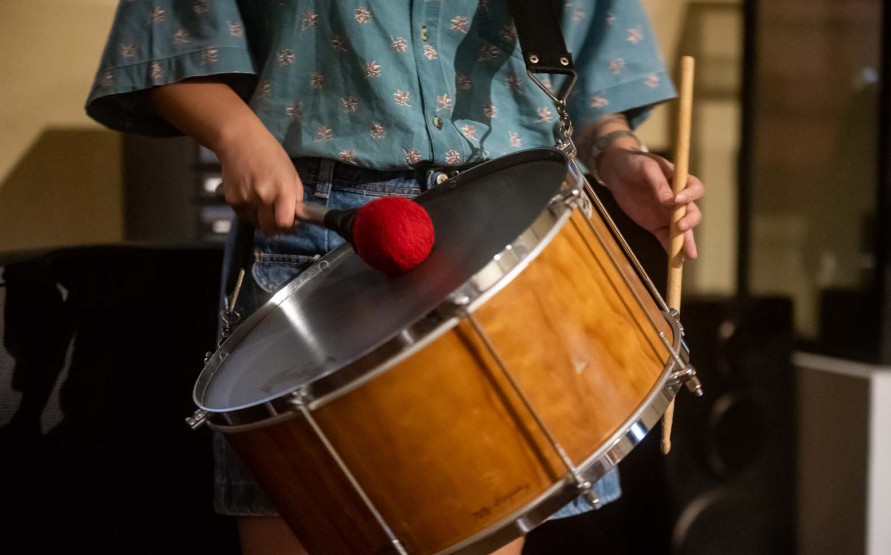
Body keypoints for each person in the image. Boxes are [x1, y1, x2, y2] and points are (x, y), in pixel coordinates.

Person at [86, 2, 705, 554]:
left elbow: (592, 89)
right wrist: (237, 134)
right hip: (324, 229)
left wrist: (621, 157)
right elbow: (166, 39)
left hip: (505, 233)